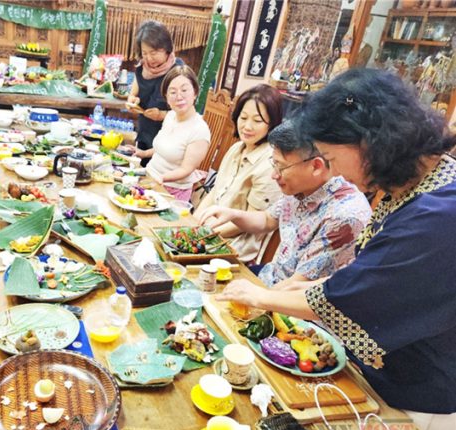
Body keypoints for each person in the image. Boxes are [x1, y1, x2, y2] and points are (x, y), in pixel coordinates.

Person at [218, 69, 456, 430]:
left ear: (367, 143)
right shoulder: (424, 184)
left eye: (329, 157)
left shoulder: (436, 215)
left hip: (419, 392)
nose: (333, 171)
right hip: (387, 374)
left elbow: (356, 294)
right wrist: (293, 290)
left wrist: (261, 296)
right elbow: (376, 273)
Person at [200, 120, 371, 288]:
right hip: (270, 277)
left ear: (316, 166)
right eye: (274, 164)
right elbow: (267, 220)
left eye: (281, 167)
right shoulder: (301, 187)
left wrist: (251, 294)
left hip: (289, 298)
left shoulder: (344, 217)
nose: (274, 175)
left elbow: (298, 286)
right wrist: (234, 215)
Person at [196, 84, 284, 263]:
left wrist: (204, 234)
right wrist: (194, 221)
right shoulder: (236, 148)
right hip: (207, 234)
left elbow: (247, 223)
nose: (247, 126)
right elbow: (215, 193)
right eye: (243, 118)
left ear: (272, 124)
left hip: (232, 248)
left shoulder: (269, 164)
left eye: (257, 121)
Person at [133, 65, 210, 201]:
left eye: (184, 90)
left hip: (172, 192)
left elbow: (186, 169)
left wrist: (162, 178)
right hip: (149, 179)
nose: (179, 96)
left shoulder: (200, 130)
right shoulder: (170, 116)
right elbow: (164, 148)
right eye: (173, 92)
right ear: (166, 97)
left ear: (195, 93)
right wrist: (143, 153)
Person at [126, 20, 183, 165]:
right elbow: (133, 95)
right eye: (144, 53)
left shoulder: (178, 72)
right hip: (144, 134)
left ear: (166, 49)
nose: (149, 58)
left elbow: (185, 113)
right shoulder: (142, 68)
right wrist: (132, 102)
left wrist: (162, 115)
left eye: (154, 52)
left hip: (167, 145)